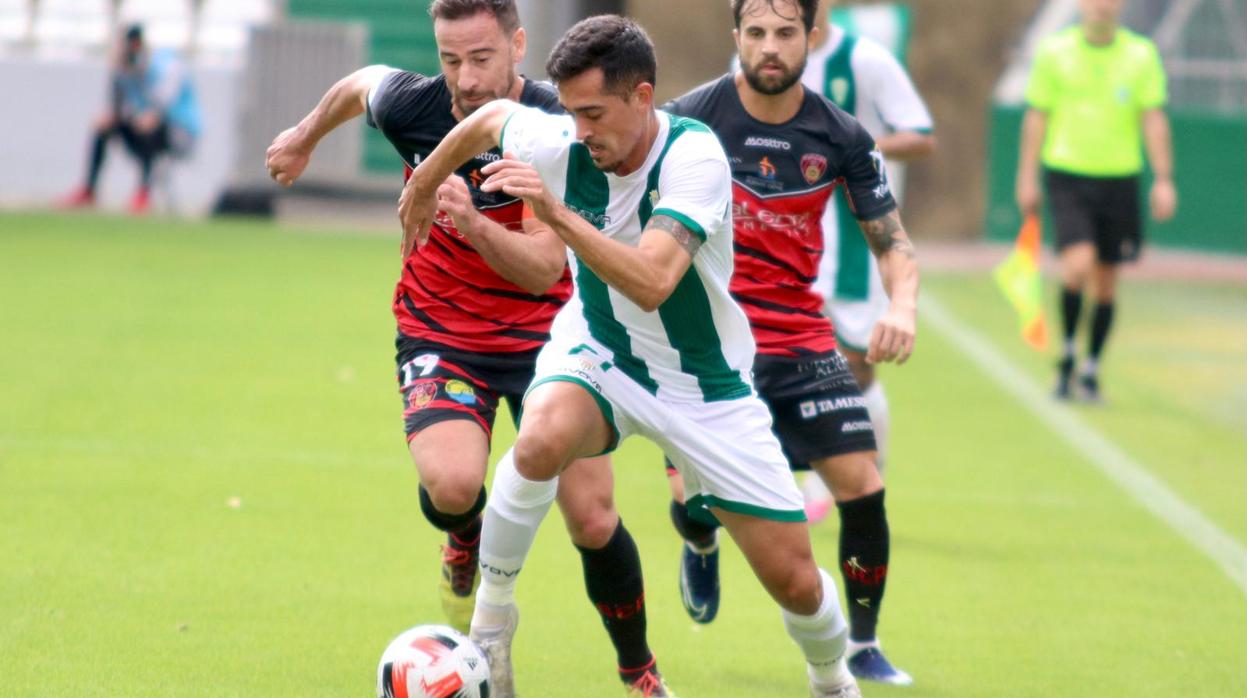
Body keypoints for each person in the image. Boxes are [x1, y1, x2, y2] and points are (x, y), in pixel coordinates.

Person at [400, 14, 863, 698]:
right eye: (570, 113)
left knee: (794, 583)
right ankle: (491, 630)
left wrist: (555, 215)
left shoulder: (694, 157)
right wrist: (423, 183)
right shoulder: (561, 135)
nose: (579, 131)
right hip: (599, 351)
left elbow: (651, 283)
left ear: (642, 98)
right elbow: (489, 117)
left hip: (702, 388)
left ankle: (831, 680)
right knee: (539, 440)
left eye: (594, 113)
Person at [265, 4, 666, 693]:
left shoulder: (555, 129)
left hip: (553, 341)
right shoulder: (416, 104)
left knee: (594, 517)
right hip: (441, 332)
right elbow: (362, 82)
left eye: (480, 59)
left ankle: (639, 671)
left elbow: (544, 266)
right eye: (450, 59)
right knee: (452, 488)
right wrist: (303, 136)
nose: (464, 79)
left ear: (517, 44)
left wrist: (472, 223)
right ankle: (464, 534)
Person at [661, 0, 918, 687]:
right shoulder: (690, 120)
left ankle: (863, 644)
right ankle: (701, 542)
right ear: (735, 36)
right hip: (708, 343)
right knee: (694, 505)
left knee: (863, 487)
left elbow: (891, 241)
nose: (769, 48)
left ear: (812, 35)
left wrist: (903, 304)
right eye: (755, 33)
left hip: (801, 338)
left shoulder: (841, 135)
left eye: (784, 33)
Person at [799, 0, 934, 530]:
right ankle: (810, 475)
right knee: (788, 357)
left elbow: (920, 135)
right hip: (784, 241)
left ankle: (859, 469)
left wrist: (854, 147)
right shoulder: (752, 58)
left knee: (857, 367)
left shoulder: (865, 60)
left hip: (854, 244)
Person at [1016, 0, 1175, 402]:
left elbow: (1152, 117)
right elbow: (1037, 114)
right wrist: (1027, 175)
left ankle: (1090, 369)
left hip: (1120, 177)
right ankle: (1067, 353)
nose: (1101, 7)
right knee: (1077, 265)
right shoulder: (1055, 52)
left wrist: (1163, 178)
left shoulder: (1141, 55)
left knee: (1106, 281)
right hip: (1068, 174)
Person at [62, 24, 201, 214]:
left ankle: (143, 193)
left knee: (150, 126)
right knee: (104, 128)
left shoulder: (166, 66)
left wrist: (145, 117)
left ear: (135, 45)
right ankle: (89, 190)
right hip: (142, 127)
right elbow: (118, 107)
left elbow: (161, 108)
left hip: (179, 131)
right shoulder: (123, 68)